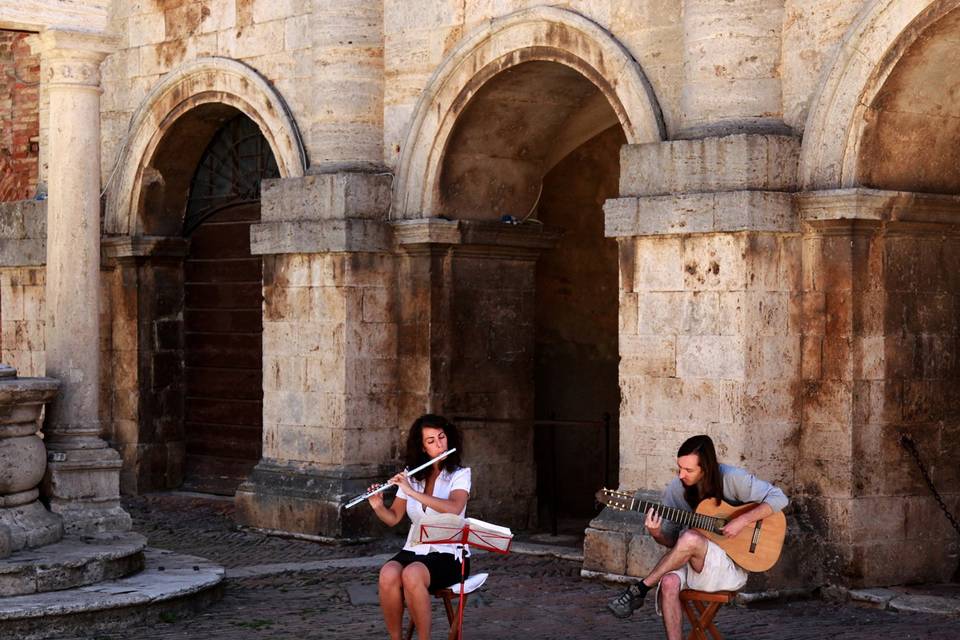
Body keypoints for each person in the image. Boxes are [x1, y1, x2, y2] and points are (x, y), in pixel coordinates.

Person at [607, 434, 788, 640]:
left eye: (689, 470)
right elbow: (674, 542)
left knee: (691, 537)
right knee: (668, 582)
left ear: (706, 468)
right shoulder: (677, 489)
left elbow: (779, 497)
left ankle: (640, 588)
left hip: (729, 567)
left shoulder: (732, 478)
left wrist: (742, 520)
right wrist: (656, 533)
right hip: (694, 563)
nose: (681, 475)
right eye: (679, 468)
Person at [367, 414, 471, 640]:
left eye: (441, 437)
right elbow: (394, 517)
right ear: (423, 447)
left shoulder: (460, 475)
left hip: (449, 553)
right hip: (415, 548)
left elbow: (454, 507)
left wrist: (413, 492)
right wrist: (377, 505)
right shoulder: (412, 476)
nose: (439, 444)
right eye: (431, 441)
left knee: (412, 574)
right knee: (388, 574)